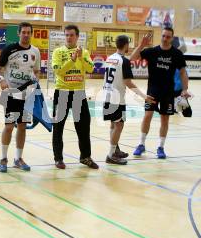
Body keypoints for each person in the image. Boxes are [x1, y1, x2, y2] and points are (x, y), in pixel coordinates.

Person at [130, 27, 190, 159]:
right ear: (161, 36)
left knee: (165, 119)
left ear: (172, 38)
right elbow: (131, 59)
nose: (165, 38)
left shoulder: (177, 54)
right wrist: (141, 45)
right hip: (152, 90)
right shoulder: (152, 51)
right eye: (163, 36)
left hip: (168, 92)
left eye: (168, 37)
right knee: (147, 116)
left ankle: (161, 147)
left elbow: (183, 72)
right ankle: (141, 144)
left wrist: (185, 89)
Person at [0, 22, 40, 173]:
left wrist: (35, 83)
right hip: (11, 92)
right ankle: (3, 158)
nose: (26, 35)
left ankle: (18, 159)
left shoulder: (35, 51)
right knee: (9, 126)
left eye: (29, 32)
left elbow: (37, 71)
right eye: (24, 32)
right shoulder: (9, 49)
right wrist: (1, 80)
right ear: (19, 33)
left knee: (22, 127)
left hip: (27, 93)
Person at [102, 35, 155, 165]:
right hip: (117, 98)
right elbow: (128, 82)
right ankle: (111, 155)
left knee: (114, 124)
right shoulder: (123, 61)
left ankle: (115, 151)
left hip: (106, 95)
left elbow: (126, 62)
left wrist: (141, 46)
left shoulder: (110, 58)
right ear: (126, 45)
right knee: (119, 125)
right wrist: (144, 97)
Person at [51, 25, 98, 169]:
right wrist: (71, 60)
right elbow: (58, 71)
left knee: (83, 127)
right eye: (66, 35)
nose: (69, 38)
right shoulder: (58, 52)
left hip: (78, 93)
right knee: (58, 128)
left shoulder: (83, 52)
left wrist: (80, 57)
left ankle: (85, 157)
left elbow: (91, 69)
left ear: (77, 37)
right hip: (62, 92)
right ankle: (58, 158)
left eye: (71, 35)